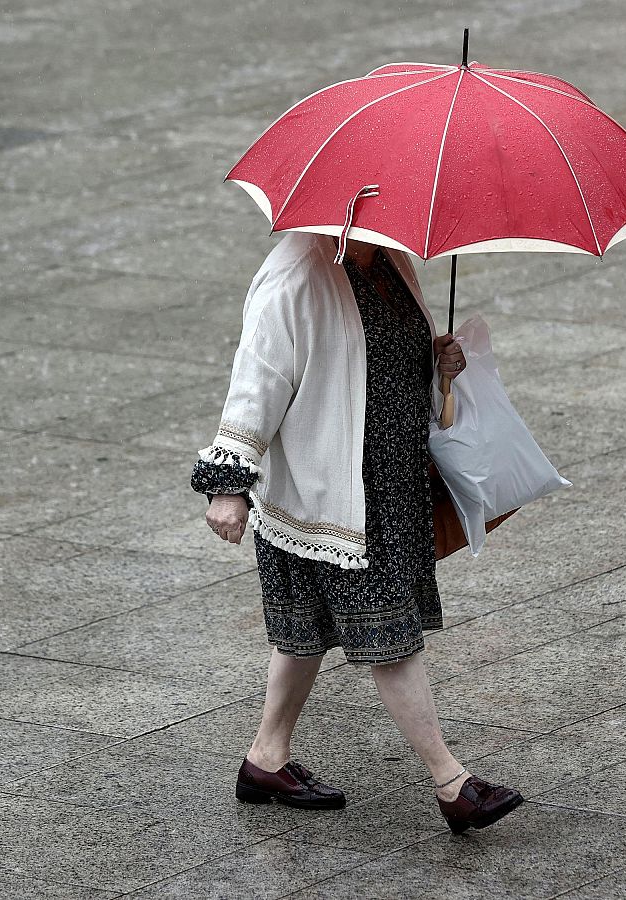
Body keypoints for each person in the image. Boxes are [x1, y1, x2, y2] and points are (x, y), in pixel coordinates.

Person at [190, 230, 523, 834]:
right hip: (328, 497)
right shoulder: (294, 275)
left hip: (391, 487)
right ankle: (452, 784)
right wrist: (228, 481)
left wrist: (435, 362)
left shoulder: (390, 262)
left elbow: (381, 364)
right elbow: (257, 377)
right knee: (390, 638)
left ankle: (266, 759)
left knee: (303, 632)